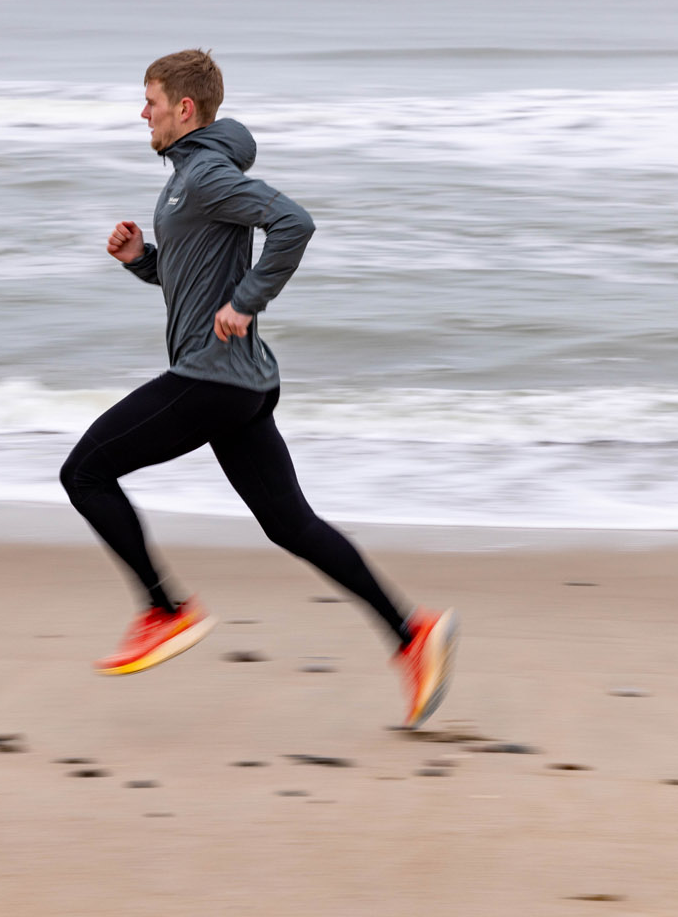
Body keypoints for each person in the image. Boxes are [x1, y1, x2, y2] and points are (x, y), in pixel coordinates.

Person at [59, 49, 456, 729]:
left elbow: (293, 223)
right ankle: (410, 633)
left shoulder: (206, 173)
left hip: (210, 375)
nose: (141, 113)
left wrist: (246, 301)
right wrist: (140, 262)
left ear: (183, 109)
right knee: (290, 525)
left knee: (85, 471)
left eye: (149, 101)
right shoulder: (189, 177)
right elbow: (189, 279)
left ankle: (163, 609)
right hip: (237, 383)